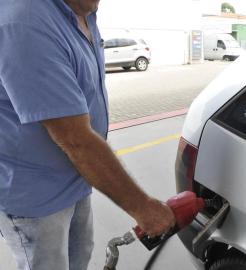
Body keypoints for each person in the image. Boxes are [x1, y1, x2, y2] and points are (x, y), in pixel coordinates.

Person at [0, 0, 176, 269]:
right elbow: (76, 140)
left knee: (79, 258)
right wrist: (143, 208)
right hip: (36, 194)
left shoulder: (83, 13)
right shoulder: (26, 21)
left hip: (77, 178)